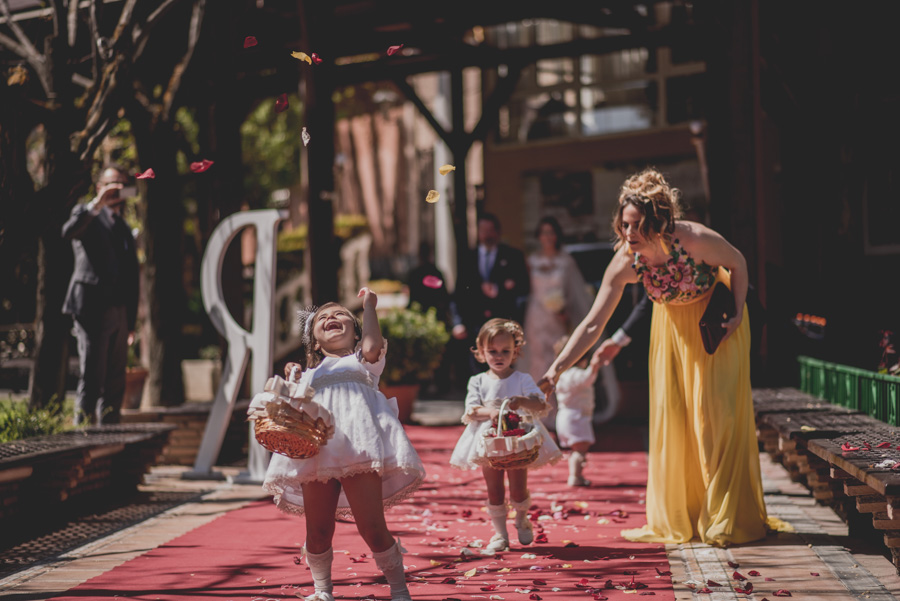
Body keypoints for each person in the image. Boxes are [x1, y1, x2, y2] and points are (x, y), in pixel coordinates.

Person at [539, 168, 769, 546]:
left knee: (715, 417)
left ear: (658, 221)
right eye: (624, 224)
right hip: (672, 334)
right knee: (676, 418)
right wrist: (555, 370)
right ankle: (689, 513)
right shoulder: (625, 261)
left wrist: (739, 312)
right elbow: (593, 323)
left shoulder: (694, 239)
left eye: (636, 224)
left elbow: (738, 262)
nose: (629, 233)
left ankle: (726, 517)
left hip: (716, 327)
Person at [265, 287, 426, 601]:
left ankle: (399, 589)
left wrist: (369, 306)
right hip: (317, 452)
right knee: (318, 530)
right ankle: (322, 590)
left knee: (372, 527)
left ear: (356, 333)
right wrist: (291, 382)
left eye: (340, 314)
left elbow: (373, 344)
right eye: (322, 317)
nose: (331, 317)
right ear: (314, 341)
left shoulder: (363, 362)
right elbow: (293, 411)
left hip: (359, 448)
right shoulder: (309, 375)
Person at [449, 319, 561, 552]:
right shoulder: (478, 381)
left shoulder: (522, 379)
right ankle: (500, 533)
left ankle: (521, 518)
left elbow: (540, 404)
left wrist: (522, 401)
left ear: (515, 352)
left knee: (518, 489)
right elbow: (471, 410)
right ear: (481, 352)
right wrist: (492, 412)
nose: (499, 356)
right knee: (494, 489)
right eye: (492, 351)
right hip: (488, 442)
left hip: (517, 441)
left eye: (505, 351)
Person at [62, 165, 139, 425]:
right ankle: (83, 435)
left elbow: (132, 277)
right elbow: (68, 232)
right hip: (91, 308)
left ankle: (110, 438)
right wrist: (97, 204)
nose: (117, 189)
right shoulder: (87, 214)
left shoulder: (124, 228)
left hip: (119, 313)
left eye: (122, 184)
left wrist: (131, 322)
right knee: (93, 377)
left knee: (116, 381)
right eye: (111, 183)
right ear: (99, 187)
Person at [451, 213, 530, 377]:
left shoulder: (513, 256)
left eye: (490, 230)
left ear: (498, 232)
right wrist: (458, 322)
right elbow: (458, 294)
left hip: (504, 329)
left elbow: (523, 291)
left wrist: (500, 290)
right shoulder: (467, 257)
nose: (487, 235)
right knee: (477, 376)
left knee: (504, 375)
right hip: (475, 327)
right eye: (483, 230)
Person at [518, 216, 593, 386]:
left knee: (557, 355)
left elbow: (574, 292)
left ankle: (558, 396)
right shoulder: (531, 261)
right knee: (536, 356)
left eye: (551, 232)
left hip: (558, 317)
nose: (548, 237)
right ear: (539, 236)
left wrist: (565, 311)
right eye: (544, 232)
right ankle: (538, 396)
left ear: (557, 235)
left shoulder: (566, 261)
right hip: (536, 316)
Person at [552, 335, 604, 487]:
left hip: (564, 416)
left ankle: (576, 474)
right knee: (580, 451)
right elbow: (587, 379)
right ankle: (576, 476)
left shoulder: (561, 376)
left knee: (575, 451)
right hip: (577, 417)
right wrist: (594, 366)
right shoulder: (575, 374)